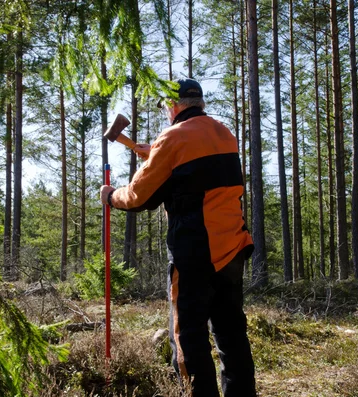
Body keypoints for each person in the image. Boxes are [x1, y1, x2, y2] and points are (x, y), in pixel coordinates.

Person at [100, 78, 256, 397]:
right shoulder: (223, 133)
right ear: (199, 103)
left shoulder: (172, 138)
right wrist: (154, 153)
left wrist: (111, 196)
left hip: (195, 254)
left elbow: (142, 196)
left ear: (173, 105)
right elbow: (197, 170)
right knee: (231, 336)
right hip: (233, 248)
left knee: (188, 338)